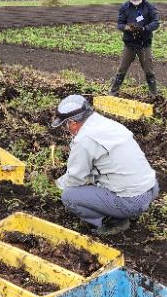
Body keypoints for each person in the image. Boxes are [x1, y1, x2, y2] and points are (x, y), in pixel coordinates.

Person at [52, 95, 159, 235]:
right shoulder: (105, 123)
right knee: (93, 182)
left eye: (66, 124)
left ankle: (112, 221)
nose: (67, 129)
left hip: (132, 201)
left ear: (73, 123)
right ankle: (123, 209)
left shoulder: (84, 139)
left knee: (69, 196)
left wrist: (56, 184)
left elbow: (75, 179)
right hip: (151, 188)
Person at [110, 0, 160, 97]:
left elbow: (156, 22)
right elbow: (120, 24)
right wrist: (128, 28)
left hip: (144, 45)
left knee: (149, 71)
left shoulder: (149, 7)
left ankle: (154, 95)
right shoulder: (124, 8)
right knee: (122, 69)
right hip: (130, 45)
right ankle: (113, 92)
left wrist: (144, 28)